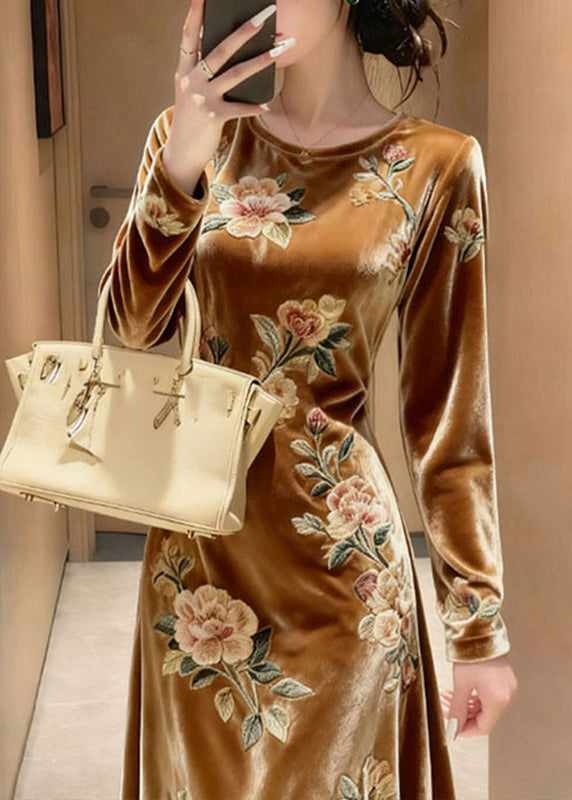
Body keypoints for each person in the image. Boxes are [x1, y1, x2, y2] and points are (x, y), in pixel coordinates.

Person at [98, 0, 518, 796]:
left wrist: (477, 627)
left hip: (344, 576)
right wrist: (183, 155)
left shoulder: (437, 166)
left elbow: (449, 417)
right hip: (199, 573)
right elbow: (133, 326)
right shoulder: (193, 139)